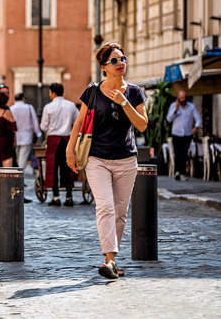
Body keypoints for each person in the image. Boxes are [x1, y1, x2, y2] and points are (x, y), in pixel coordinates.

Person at [66, 42, 148, 280]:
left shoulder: (134, 92)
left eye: (123, 58)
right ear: (103, 66)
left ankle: (111, 260)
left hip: (126, 160)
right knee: (105, 207)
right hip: (97, 158)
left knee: (120, 213)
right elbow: (79, 123)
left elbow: (142, 124)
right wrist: (70, 151)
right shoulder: (92, 91)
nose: (120, 63)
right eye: (114, 60)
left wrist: (124, 102)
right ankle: (110, 259)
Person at [41, 83, 79, 207]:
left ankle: (56, 197)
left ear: (52, 93)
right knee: (68, 169)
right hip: (67, 140)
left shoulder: (48, 107)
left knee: (52, 168)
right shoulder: (71, 105)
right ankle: (69, 197)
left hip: (53, 141)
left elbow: (43, 126)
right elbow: (77, 121)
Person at [166, 90, 201, 181]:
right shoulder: (173, 106)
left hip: (187, 134)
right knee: (177, 153)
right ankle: (177, 172)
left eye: (185, 97)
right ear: (178, 98)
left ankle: (182, 172)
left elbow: (198, 119)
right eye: (181, 98)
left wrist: (196, 127)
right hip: (176, 133)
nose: (183, 99)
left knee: (184, 154)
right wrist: (176, 110)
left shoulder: (191, 107)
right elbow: (169, 119)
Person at [10, 93, 42, 176]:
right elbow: (34, 121)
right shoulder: (28, 107)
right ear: (23, 98)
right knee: (23, 158)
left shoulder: (11, 109)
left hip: (14, 137)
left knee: (17, 157)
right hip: (26, 136)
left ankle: (17, 177)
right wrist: (37, 134)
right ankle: (18, 177)